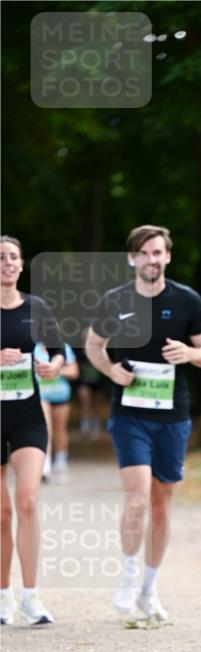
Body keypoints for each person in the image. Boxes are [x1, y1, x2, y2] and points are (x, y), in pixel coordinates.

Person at [85, 224, 201, 621]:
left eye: (158, 252)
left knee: (162, 503)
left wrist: (189, 354)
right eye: (144, 253)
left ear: (167, 257)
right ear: (132, 258)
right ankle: (127, 576)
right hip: (129, 414)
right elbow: (94, 346)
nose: (151, 259)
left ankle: (149, 587)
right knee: (138, 496)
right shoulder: (115, 300)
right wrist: (111, 371)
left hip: (173, 417)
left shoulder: (186, 300)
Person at [1, 236, 65, 625]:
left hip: (27, 415)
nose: (6, 263)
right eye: (0, 258)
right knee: (0, 513)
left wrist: (54, 365)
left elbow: (58, 350)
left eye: (12, 257)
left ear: (22, 265)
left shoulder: (36, 308)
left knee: (26, 501)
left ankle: (31, 596)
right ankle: (3, 597)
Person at [35, 340, 79, 482]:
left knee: (60, 430)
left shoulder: (63, 347)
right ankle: (45, 466)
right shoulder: (33, 347)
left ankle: (60, 462)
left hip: (61, 394)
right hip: (42, 394)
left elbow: (74, 371)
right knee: (46, 429)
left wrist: (55, 369)